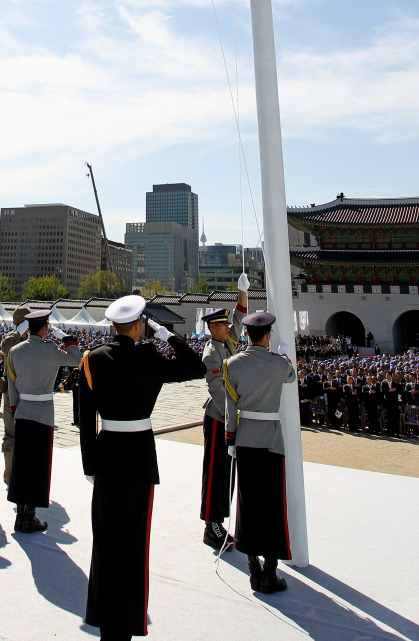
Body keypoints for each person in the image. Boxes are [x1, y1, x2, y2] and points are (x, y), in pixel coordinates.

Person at [79, 295, 205, 641]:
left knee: (105, 542)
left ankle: (104, 623)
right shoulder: (150, 357)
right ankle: (127, 624)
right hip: (138, 459)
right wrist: (167, 336)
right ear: (139, 325)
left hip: (106, 456)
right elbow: (196, 367)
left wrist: (90, 463)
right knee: (134, 545)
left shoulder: (93, 359)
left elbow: (84, 419)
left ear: (113, 325)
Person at [223, 310, 296, 595]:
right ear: (267, 335)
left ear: (247, 335)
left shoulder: (232, 364)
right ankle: (270, 572)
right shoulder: (279, 365)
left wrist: (231, 439)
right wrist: (284, 355)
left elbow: (231, 407)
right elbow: (291, 376)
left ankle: (253, 569)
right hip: (272, 440)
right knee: (273, 506)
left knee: (248, 504)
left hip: (245, 438)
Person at [6, 308, 81, 533]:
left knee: (21, 465)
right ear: (46, 327)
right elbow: (76, 360)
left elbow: (11, 383)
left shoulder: (15, 351)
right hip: (43, 413)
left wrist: (13, 407)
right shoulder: (50, 350)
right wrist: (67, 339)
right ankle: (29, 517)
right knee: (39, 466)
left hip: (21, 411)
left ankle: (20, 516)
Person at [199, 273, 248, 548]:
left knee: (227, 473)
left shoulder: (226, 343)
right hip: (220, 418)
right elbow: (218, 391)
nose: (229, 327)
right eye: (223, 324)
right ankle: (211, 524)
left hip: (229, 419)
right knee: (216, 471)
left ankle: (217, 521)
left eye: (227, 324)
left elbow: (240, 318)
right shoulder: (211, 354)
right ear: (212, 328)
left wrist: (243, 292)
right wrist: (234, 418)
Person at [0, 306, 29, 483]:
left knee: (26, 434)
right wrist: (19, 331)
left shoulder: (33, 339)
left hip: (29, 392)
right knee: (10, 433)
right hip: (12, 392)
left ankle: (23, 469)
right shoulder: (10, 338)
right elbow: (6, 347)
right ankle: (9, 470)